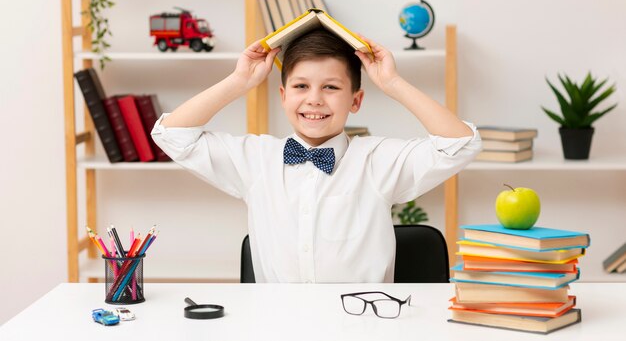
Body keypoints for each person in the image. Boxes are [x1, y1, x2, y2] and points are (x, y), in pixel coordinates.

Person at [151, 28, 482, 283]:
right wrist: (239, 82)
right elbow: (172, 135)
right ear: (283, 95)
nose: (314, 99)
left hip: (362, 328)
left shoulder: (377, 161)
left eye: (331, 87)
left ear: (356, 100)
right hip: (277, 328)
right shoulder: (256, 159)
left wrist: (393, 83)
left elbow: (460, 144)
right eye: (301, 86)